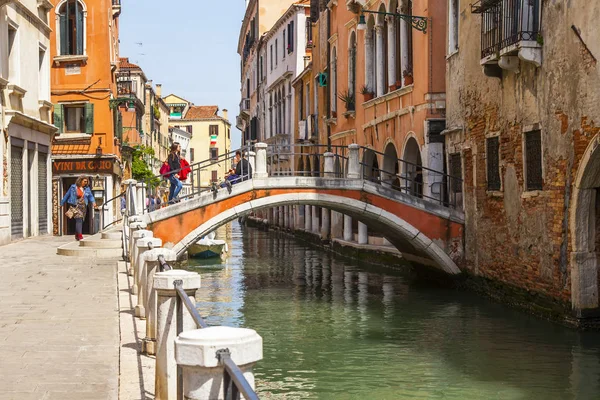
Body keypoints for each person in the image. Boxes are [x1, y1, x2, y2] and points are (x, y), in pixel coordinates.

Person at [60, 176, 97, 241]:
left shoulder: (87, 189)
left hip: (83, 207)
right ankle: (80, 235)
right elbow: (67, 195)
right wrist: (62, 203)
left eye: (87, 181)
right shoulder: (73, 187)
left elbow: (90, 196)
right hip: (75, 206)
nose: (86, 183)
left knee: (81, 220)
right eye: (84, 181)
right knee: (79, 220)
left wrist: (93, 202)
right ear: (80, 181)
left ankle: (77, 235)